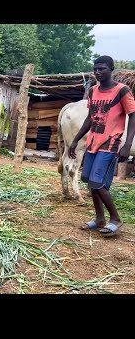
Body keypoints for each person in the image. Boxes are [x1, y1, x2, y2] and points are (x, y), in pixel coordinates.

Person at [69, 55, 135, 237]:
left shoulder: (122, 90)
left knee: (98, 183)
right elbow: (90, 118)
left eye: (102, 68)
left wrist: (127, 143)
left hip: (111, 143)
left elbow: (133, 115)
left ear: (111, 69)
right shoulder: (92, 91)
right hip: (93, 142)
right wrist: (75, 140)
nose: (98, 72)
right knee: (90, 181)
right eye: (95, 68)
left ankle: (115, 219)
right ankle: (99, 219)